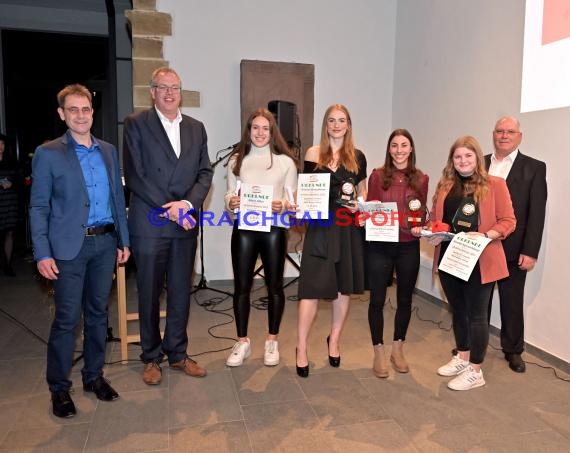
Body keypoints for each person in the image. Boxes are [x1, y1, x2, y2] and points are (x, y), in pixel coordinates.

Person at [29, 84, 130, 417]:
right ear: (62, 114)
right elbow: (39, 206)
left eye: (85, 109)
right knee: (67, 320)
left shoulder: (108, 150)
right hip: (68, 248)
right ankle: (59, 389)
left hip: (104, 243)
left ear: (92, 111)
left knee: (99, 315)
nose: (80, 115)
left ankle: (93, 376)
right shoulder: (48, 153)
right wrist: (42, 252)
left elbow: (118, 198)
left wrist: (123, 240)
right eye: (73, 110)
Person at [123, 66, 213, 385]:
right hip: (151, 221)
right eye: (163, 87)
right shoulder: (136, 124)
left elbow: (205, 173)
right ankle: (150, 356)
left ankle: (177, 352)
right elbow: (135, 175)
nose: (170, 93)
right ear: (152, 92)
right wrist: (171, 208)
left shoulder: (196, 128)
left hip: (185, 222)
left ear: (181, 91)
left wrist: (187, 205)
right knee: (148, 291)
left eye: (174, 87)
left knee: (179, 291)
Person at [414, 136, 515, 391]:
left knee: (477, 315)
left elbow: (508, 221)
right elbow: (439, 220)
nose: (463, 161)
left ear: (477, 158)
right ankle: (463, 355)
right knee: (458, 310)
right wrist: (428, 231)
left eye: (468, 156)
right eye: (458, 157)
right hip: (450, 257)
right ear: (452, 161)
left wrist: (485, 235)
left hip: (479, 259)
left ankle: (476, 371)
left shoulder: (496, 184)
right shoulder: (446, 186)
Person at [295, 104, 367, 378]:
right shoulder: (314, 153)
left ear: (348, 125)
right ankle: (301, 347)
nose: (336, 125)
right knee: (310, 289)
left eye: (342, 121)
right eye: (331, 121)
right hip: (320, 228)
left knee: (342, 289)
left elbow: (362, 193)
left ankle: (334, 339)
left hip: (347, 229)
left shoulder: (357, 157)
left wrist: (358, 206)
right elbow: (306, 191)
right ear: (326, 125)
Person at [224, 108, 298, 367]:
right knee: (241, 287)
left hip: (275, 230)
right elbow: (229, 195)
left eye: (265, 128)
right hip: (245, 229)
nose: (260, 132)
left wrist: (283, 204)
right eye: (255, 127)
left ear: (272, 131)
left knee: (275, 286)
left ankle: (271, 341)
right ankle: (242, 341)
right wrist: (231, 201)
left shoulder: (286, 162)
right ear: (248, 130)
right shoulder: (236, 161)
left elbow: (292, 200)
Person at [486, 116, 547, 373]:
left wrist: (530, 251)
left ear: (519, 136)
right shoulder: (479, 163)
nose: (504, 135)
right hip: (480, 247)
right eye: (500, 131)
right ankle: (469, 344)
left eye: (510, 131)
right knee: (477, 300)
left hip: (514, 248)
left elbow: (537, 212)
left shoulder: (534, 167)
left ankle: (513, 350)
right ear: (494, 134)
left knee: (512, 301)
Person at [365, 129, 428, 377]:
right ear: (389, 149)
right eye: (394, 145)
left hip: (408, 246)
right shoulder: (377, 176)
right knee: (377, 300)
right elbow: (369, 207)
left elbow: (421, 211)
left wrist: (422, 224)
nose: (399, 150)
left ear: (411, 149)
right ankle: (379, 350)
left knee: (405, 300)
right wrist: (365, 214)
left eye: (404, 145)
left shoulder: (421, 179)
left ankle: (397, 348)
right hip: (380, 246)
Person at [0, 133, 19, 276]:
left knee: (10, 232)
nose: (0, 146)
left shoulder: (11, 161)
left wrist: (13, 183)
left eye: (2, 144)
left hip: (10, 201)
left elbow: (19, 180)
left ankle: (8, 264)